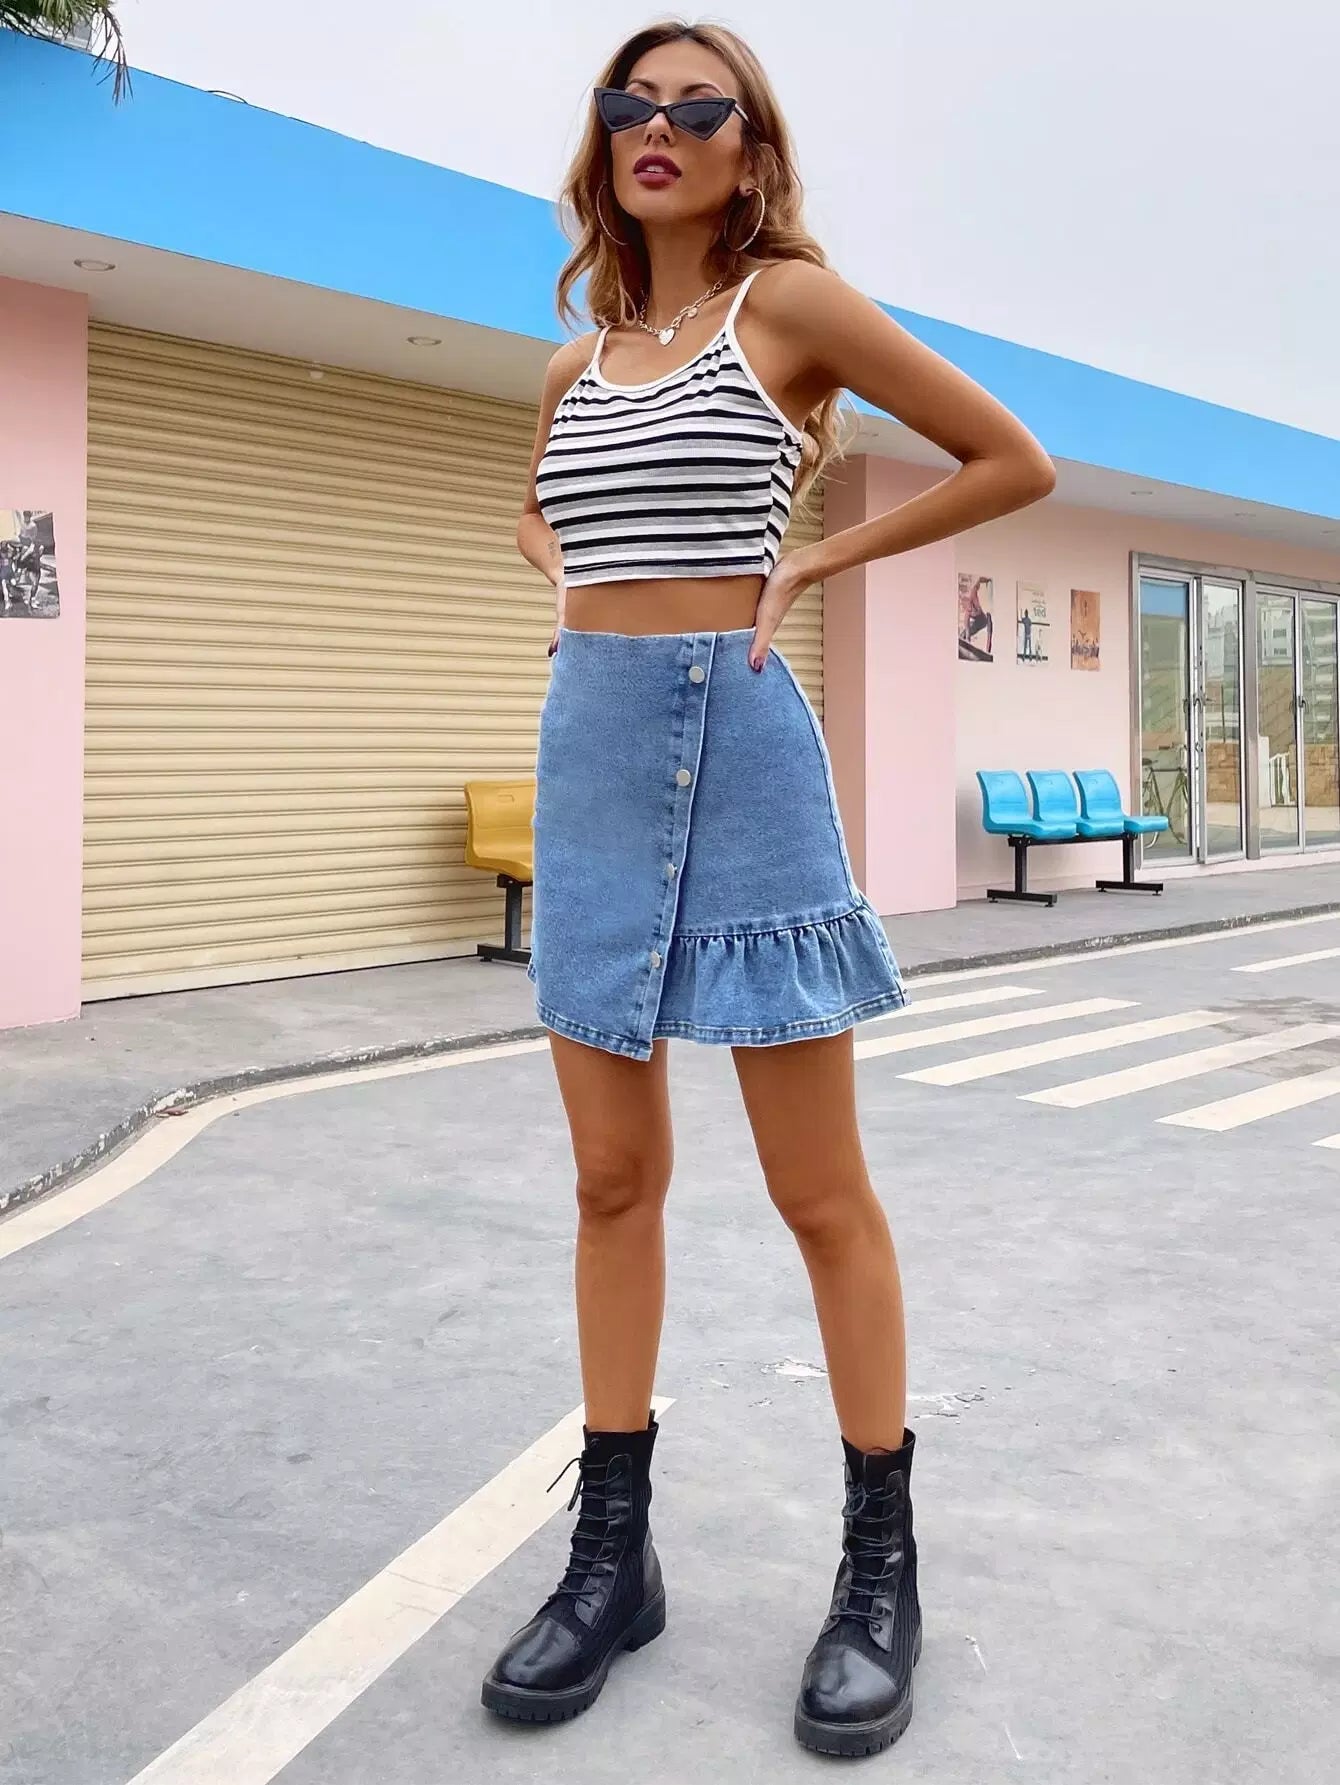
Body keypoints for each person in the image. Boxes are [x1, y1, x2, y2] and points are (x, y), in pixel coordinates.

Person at [481, 20, 1054, 1758]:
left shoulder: (786, 309)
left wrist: (813, 556)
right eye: (630, 104)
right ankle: (614, 1559)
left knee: (818, 1192)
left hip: (739, 756)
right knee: (609, 1178)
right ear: (605, 143)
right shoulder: (577, 362)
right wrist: (578, 586)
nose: (658, 126)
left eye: (697, 106)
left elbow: (1009, 456)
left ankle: (880, 1567)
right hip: (591, 755)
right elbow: (537, 516)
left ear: (750, 146)